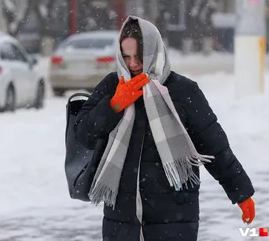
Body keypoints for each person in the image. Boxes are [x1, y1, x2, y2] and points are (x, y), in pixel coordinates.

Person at [73, 16, 255, 241]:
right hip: (121, 220)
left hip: (173, 219)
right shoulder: (112, 86)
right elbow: (83, 134)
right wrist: (115, 104)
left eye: (139, 57)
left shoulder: (183, 91)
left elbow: (215, 147)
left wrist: (241, 192)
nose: (132, 64)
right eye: (126, 56)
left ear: (154, 51)